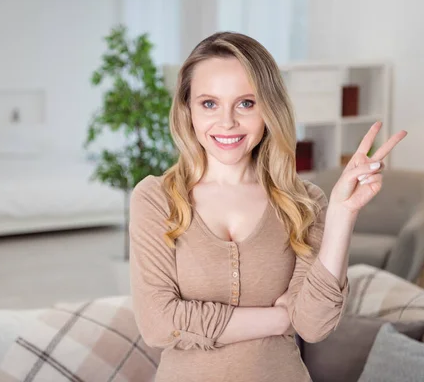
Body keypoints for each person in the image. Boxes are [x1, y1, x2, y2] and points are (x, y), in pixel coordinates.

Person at [128, 31, 407, 382]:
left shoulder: (303, 202)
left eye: (246, 103)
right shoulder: (155, 198)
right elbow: (158, 324)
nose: (227, 122)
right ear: (187, 109)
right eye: (209, 103)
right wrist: (277, 318)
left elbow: (314, 324)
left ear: (268, 108)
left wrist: (341, 214)